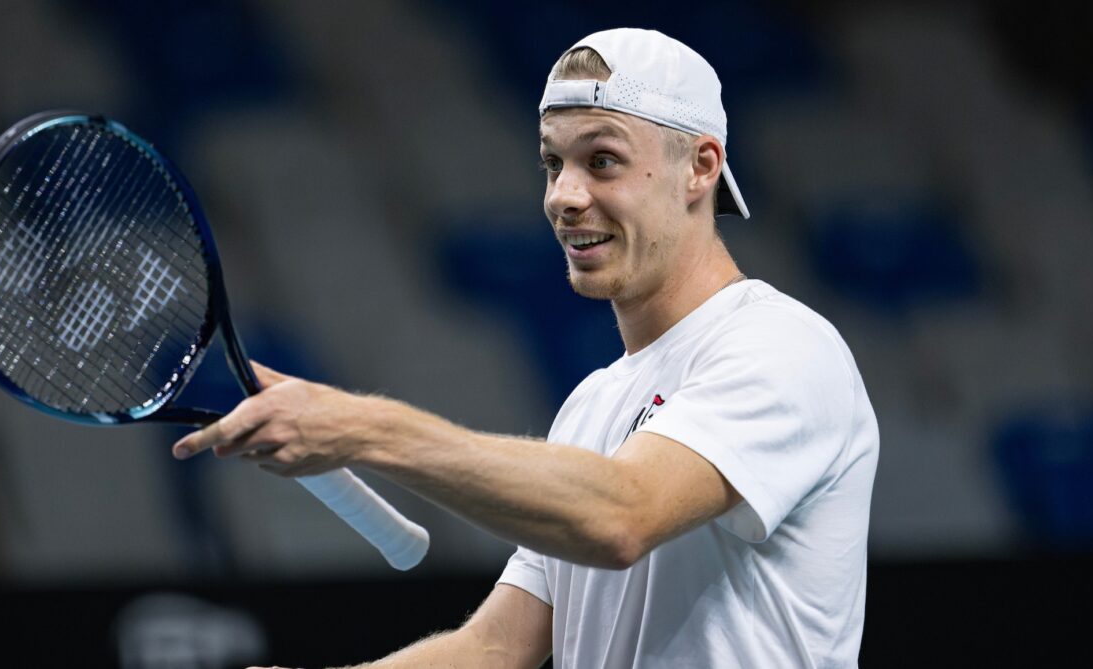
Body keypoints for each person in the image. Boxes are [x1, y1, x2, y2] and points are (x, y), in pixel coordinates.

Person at [175, 27, 879, 668]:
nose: (563, 196)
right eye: (553, 163)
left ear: (700, 166)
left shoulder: (782, 345)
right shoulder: (591, 406)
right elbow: (493, 647)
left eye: (602, 160)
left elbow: (622, 515)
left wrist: (364, 427)